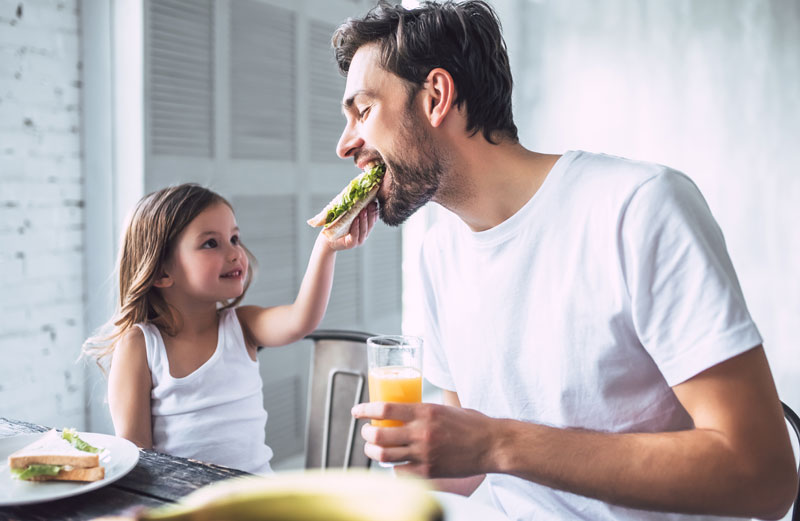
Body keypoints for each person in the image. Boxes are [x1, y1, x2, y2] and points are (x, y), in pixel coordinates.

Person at [335, 1, 798, 519]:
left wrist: (498, 443)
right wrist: (417, 449)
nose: (345, 144)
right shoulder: (438, 254)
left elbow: (765, 477)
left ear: (437, 97)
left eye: (363, 110)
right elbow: (467, 471)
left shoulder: (639, 207)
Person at [83, 183, 376, 474]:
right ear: (162, 271)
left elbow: (301, 319)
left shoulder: (242, 326)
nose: (236, 253)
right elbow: (138, 456)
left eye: (235, 238)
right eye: (211, 243)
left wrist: (326, 246)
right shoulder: (140, 345)